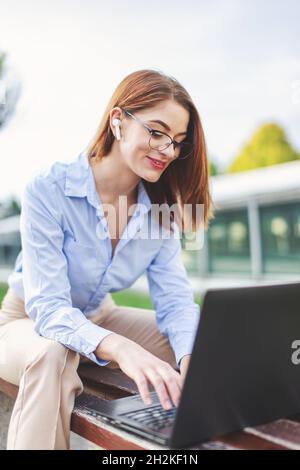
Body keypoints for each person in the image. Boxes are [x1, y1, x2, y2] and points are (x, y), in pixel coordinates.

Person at [0, 68, 213, 449]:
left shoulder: (159, 211)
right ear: (118, 121)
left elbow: (176, 302)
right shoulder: (49, 189)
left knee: (205, 346)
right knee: (52, 354)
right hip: (29, 321)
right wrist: (120, 347)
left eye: (178, 142)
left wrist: (189, 356)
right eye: (156, 131)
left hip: (99, 315)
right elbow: (48, 307)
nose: (167, 150)